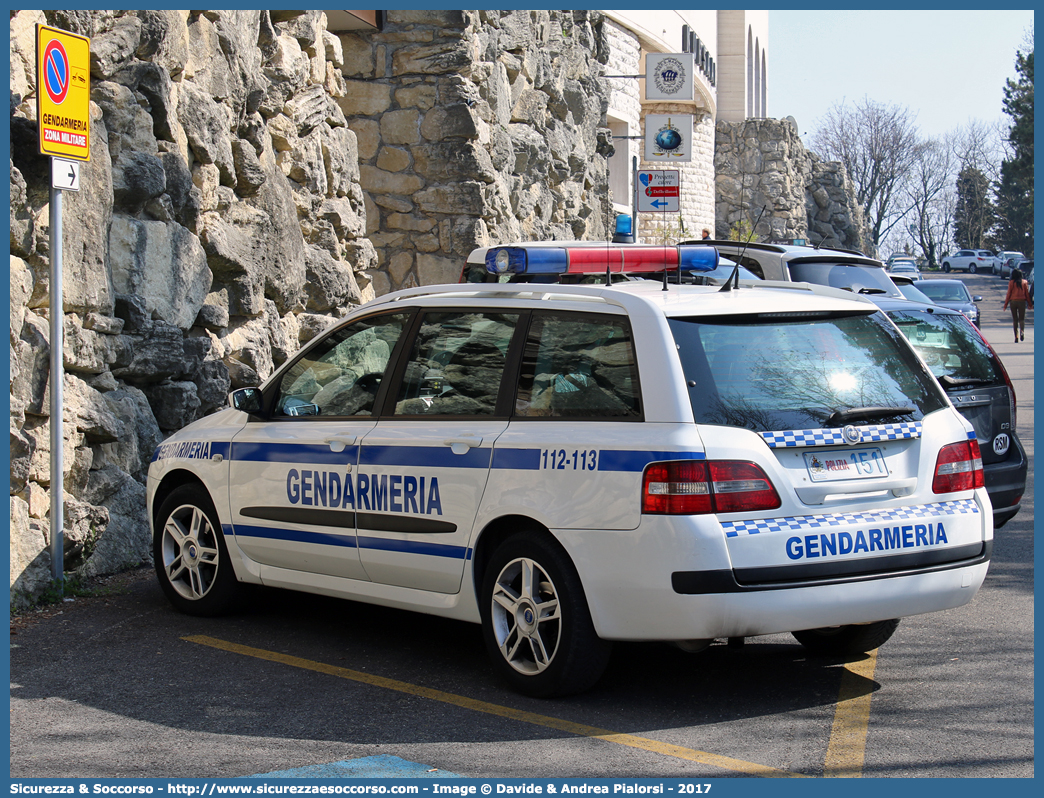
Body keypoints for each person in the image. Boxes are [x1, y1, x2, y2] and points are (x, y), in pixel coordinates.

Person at [1002, 268, 1033, 343]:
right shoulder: (1025, 282)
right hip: (1022, 301)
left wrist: (1005, 305)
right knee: (1021, 319)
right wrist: (1030, 304)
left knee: (1015, 319)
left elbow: (1008, 294)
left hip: (1013, 302)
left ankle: (1016, 336)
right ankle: (1022, 331)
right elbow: (1027, 294)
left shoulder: (1011, 282)